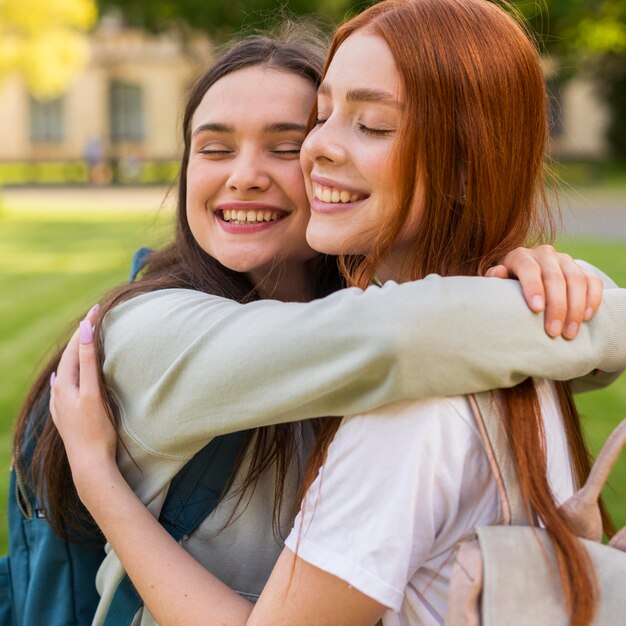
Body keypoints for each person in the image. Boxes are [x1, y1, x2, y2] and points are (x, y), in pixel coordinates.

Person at [48, 11, 626, 626]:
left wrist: (539, 283)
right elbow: (395, 339)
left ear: (462, 159)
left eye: (290, 142)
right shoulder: (149, 332)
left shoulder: (417, 367)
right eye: (213, 148)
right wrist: (578, 311)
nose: (246, 175)